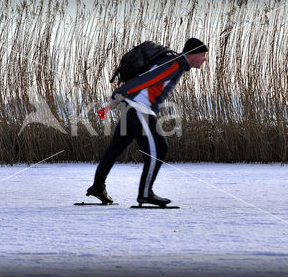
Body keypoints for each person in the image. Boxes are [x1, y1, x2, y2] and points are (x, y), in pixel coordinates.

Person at [87, 38, 209, 206]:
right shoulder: (174, 64)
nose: (205, 59)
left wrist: (118, 99)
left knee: (114, 149)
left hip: (132, 107)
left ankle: (97, 187)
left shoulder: (175, 64)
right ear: (193, 54)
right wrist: (119, 94)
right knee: (159, 148)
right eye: (203, 54)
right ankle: (145, 193)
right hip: (139, 109)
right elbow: (148, 79)